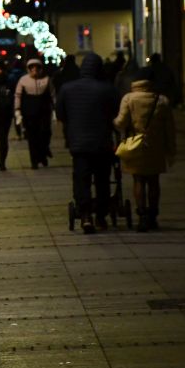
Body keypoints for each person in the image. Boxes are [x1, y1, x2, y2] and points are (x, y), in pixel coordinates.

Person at [55, 51, 120, 233]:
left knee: (81, 178)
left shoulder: (67, 89)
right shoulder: (108, 89)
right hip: (102, 143)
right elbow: (117, 113)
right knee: (102, 179)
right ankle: (101, 215)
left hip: (78, 143)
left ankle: (85, 214)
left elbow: (60, 114)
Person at [114, 66, 176, 231]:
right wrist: (171, 150)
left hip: (136, 145)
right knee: (154, 181)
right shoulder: (161, 100)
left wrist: (114, 123)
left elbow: (121, 122)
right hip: (156, 146)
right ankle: (153, 216)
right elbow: (170, 129)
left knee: (139, 180)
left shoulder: (129, 98)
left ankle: (142, 216)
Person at [14, 57, 54, 168]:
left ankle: (43, 153)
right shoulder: (23, 80)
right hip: (29, 111)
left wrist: (55, 108)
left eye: (37, 67)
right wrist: (17, 109)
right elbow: (18, 95)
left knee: (45, 133)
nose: (34, 70)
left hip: (44, 111)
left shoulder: (46, 79)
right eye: (32, 67)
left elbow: (52, 94)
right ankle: (34, 160)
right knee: (32, 137)